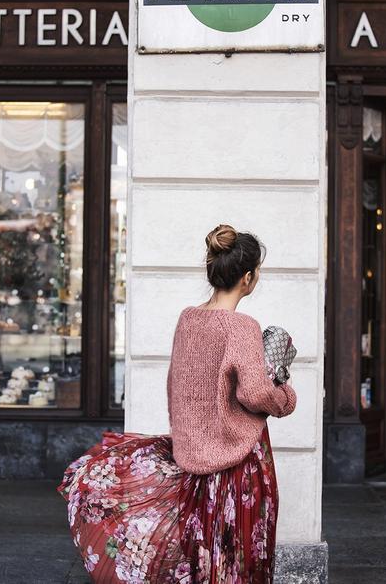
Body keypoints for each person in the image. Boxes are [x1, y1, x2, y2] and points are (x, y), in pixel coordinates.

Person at [57, 223, 297, 583]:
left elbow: (177, 384)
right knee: (237, 554)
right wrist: (284, 392)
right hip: (238, 462)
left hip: (192, 456)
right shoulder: (242, 327)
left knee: (198, 549)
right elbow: (255, 394)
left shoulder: (189, 319)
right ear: (248, 277)